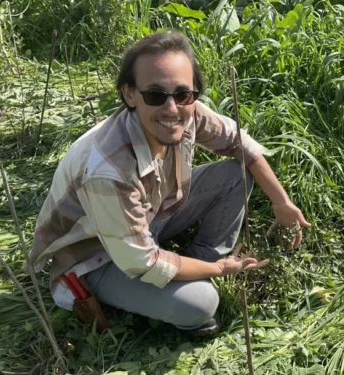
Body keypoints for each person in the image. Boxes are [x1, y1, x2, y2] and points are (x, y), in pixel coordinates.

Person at [28, 30, 310, 336]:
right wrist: (220, 270)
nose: (172, 108)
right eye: (155, 95)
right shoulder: (108, 171)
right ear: (129, 94)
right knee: (200, 306)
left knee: (234, 174)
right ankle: (204, 275)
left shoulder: (187, 114)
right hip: (98, 255)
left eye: (183, 94)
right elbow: (143, 261)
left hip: (149, 218)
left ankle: (200, 260)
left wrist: (282, 202)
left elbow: (241, 145)